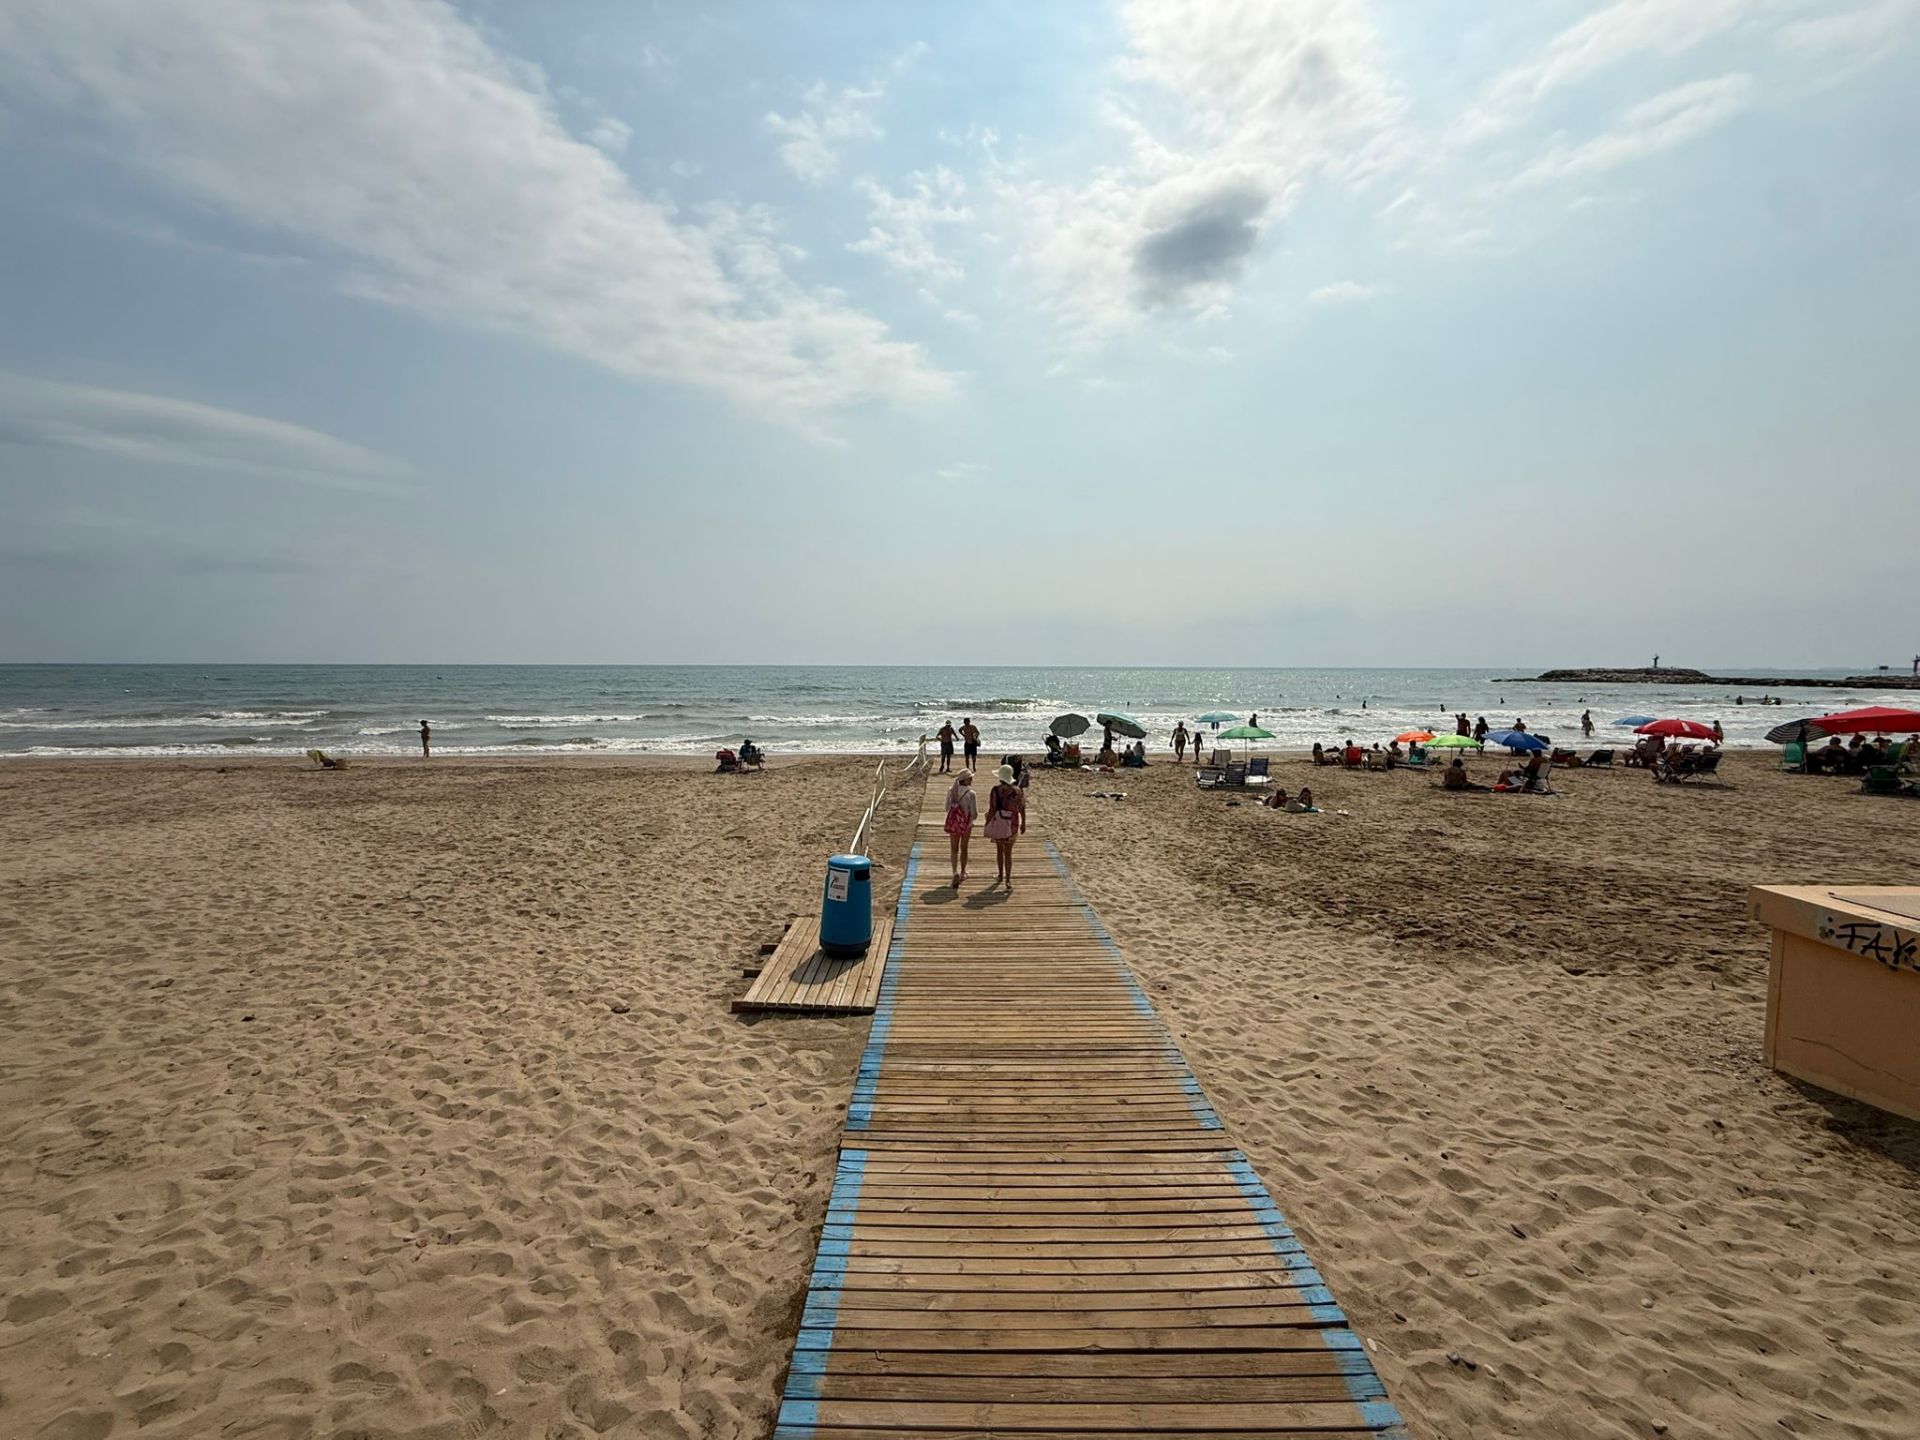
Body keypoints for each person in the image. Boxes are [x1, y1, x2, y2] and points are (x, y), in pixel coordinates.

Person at [983, 763, 1026, 887]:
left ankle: (1000, 875)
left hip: (999, 823)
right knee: (1009, 852)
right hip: (1012, 824)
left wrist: (987, 823)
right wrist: (1024, 823)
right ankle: (1008, 879)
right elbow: (1022, 808)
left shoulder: (995, 790)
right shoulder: (1018, 791)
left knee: (999, 850)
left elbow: (992, 809)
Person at [943, 770, 976, 887]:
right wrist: (970, 821)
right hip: (966, 824)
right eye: (970, 778)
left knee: (954, 848)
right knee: (964, 848)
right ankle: (962, 872)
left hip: (954, 823)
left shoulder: (951, 791)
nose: (972, 780)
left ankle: (954, 872)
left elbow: (946, 807)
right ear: (965, 780)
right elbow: (974, 813)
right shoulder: (971, 793)